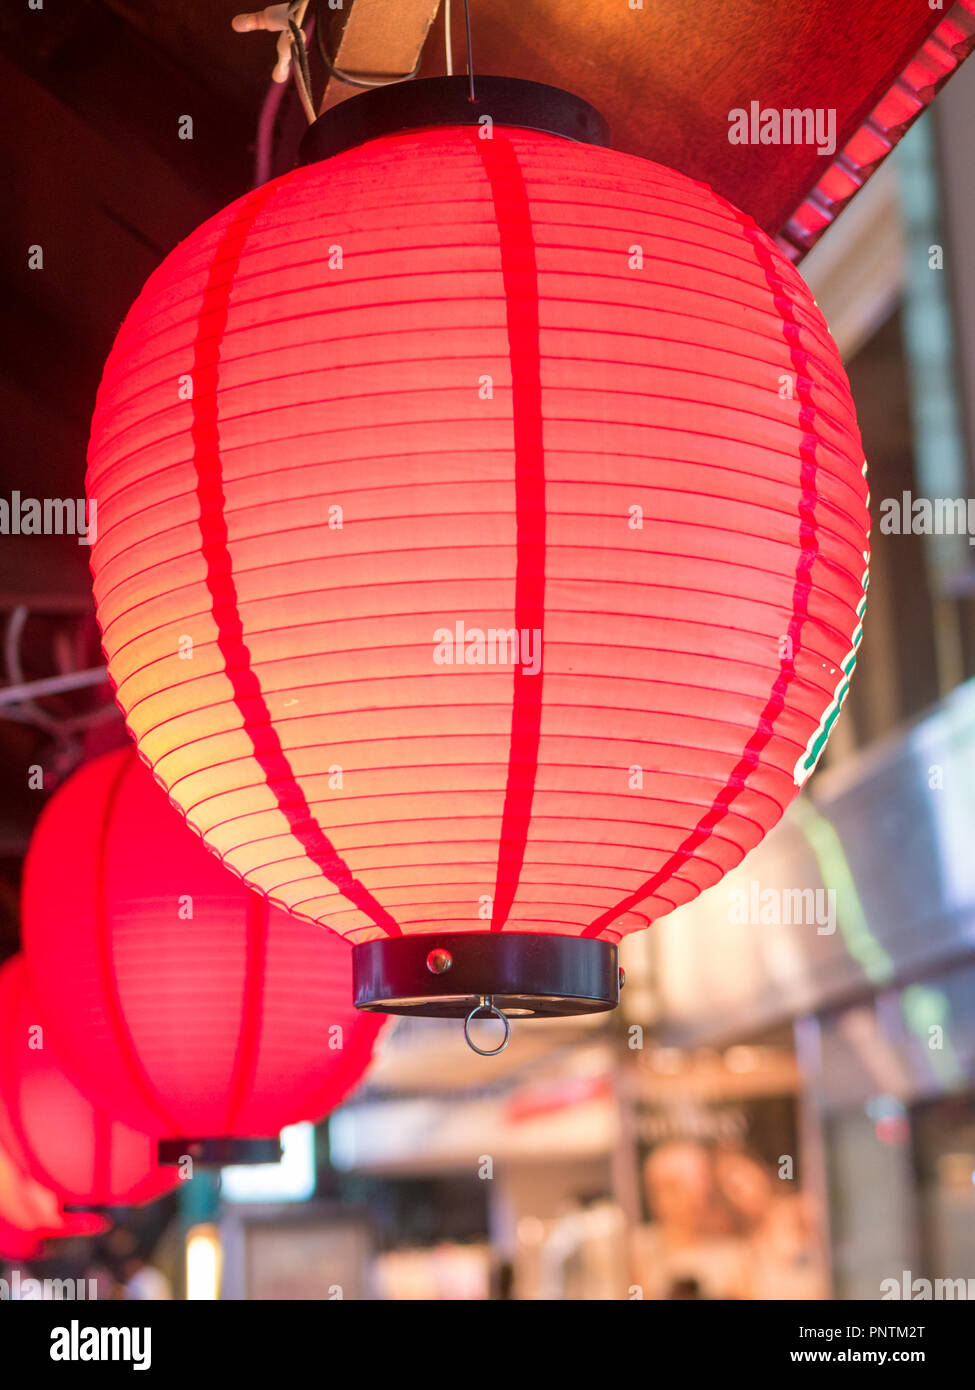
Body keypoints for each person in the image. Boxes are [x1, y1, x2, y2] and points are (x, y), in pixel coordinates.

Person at [630, 1141, 751, 1299]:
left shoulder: (733, 1254)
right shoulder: (641, 1248)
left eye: (673, 1188)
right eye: (657, 1189)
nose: (663, 1200)